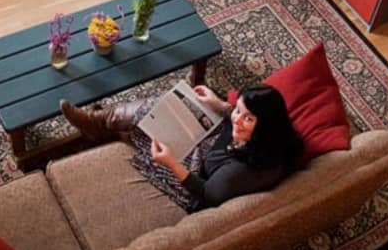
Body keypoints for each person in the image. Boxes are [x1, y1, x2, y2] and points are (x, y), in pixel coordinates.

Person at [60, 83, 303, 211]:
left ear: (264, 125)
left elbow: (208, 194)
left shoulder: (245, 171)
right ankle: (103, 122)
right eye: (238, 110)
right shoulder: (267, 132)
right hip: (216, 148)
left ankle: (99, 123)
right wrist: (219, 104)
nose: (237, 119)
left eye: (247, 118)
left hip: (197, 180)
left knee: (152, 130)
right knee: (166, 105)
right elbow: (237, 116)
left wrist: (171, 163)